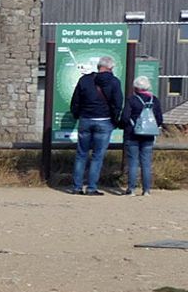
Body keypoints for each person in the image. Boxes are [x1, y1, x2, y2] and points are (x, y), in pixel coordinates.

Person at [69, 56, 123, 195]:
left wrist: (77, 115)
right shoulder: (114, 82)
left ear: (99, 67)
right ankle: (92, 188)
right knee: (97, 156)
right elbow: (118, 103)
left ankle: (77, 187)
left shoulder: (85, 80)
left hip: (85, 120)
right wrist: (114, 120)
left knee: (81, 154)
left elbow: (75, 101)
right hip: (104, 121)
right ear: (110, 68)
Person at [121, 75, 165, 196]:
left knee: (133, 162)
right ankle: (146, 190)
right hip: (149, 135)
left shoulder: (132, 100)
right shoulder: (154, 100)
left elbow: (125, 117)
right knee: (146, 163)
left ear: (135, 87)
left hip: (133, 134)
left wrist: (123, 125)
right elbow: (160, 119)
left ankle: (132, 189)